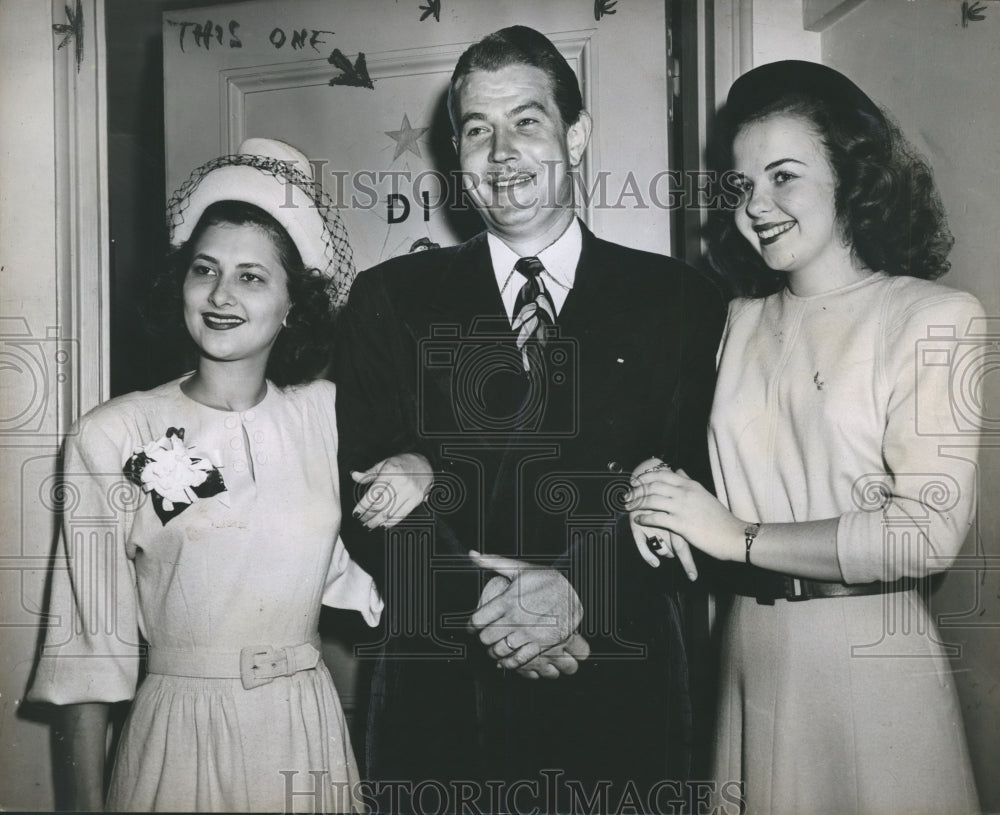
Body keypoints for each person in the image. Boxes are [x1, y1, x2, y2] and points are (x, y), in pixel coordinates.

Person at [335, 25, 726, 811]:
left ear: (576, 136)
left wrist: (579, 587)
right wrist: (491, 612)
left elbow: (700, 495)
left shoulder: (680, 301)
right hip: (440, 692)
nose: (501, 150)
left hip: (617, 682)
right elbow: (363, 502)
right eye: (477, 129)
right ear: (456, 156)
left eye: (527, 121)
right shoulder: (389, 301)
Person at [626, 61, 983, 815]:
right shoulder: (736, 321)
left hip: (869, 663)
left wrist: (740, 535)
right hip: (745, 653)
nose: (756, 205)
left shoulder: (934, 318)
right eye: (741, 185)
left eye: (784, 175)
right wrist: (657, 501)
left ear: (851, 176)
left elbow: (928, 532)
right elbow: (703, 471)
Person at [27, 138, 394, 812]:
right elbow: (86, 656)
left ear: (295, 302)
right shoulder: (116, 433)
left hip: (306, 738)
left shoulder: (331, 416)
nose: (222, 295)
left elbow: (399, 555)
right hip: (178, 743)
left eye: (252, 276)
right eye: (205, 269)